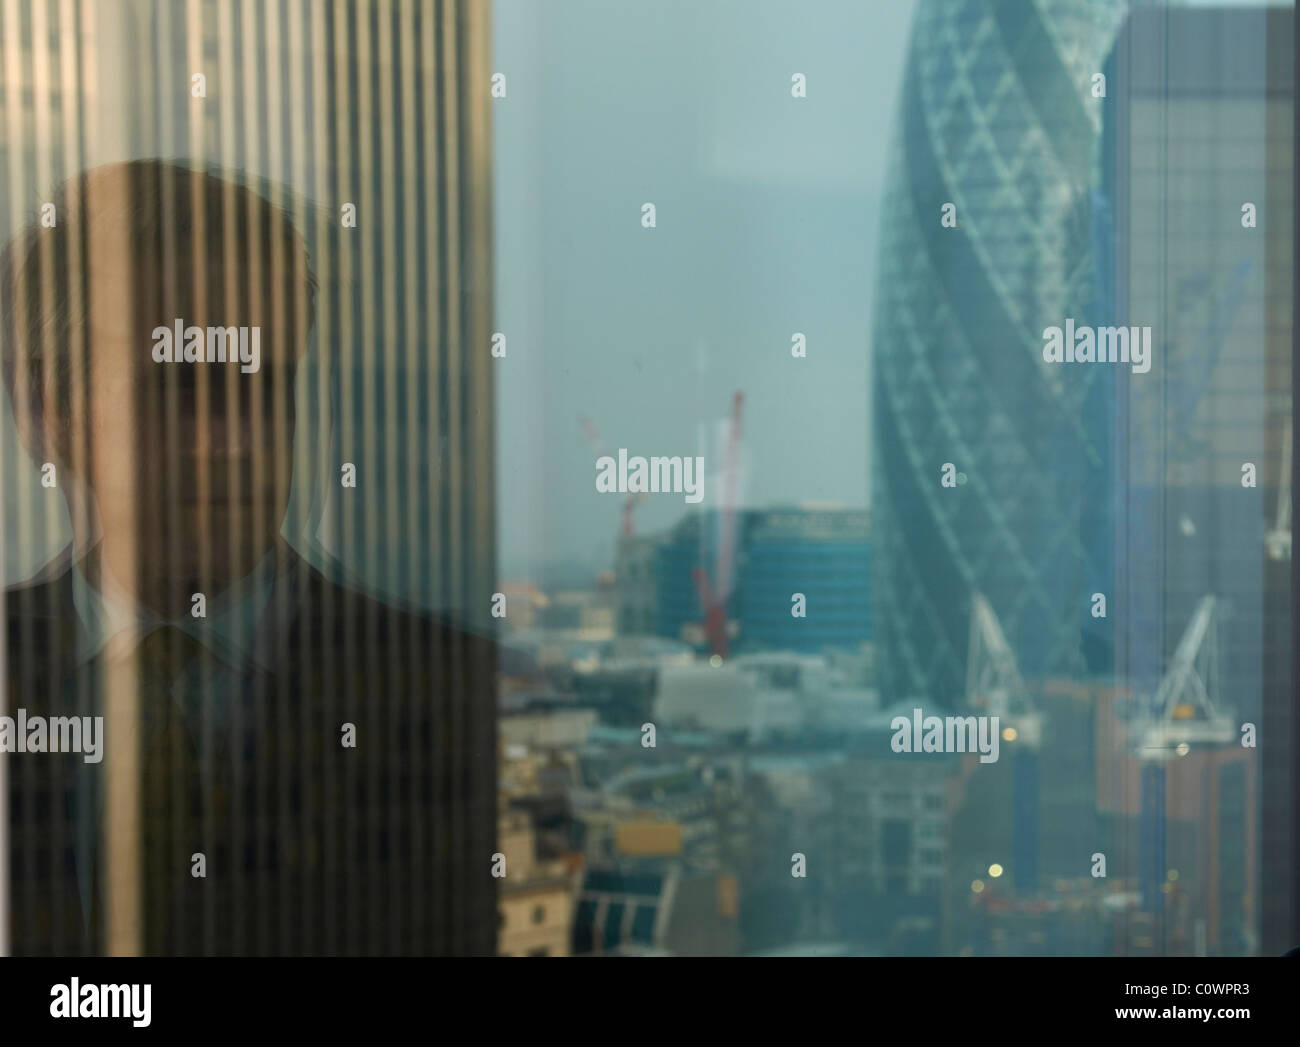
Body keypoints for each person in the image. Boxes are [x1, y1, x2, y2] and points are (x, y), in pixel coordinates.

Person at [0, 159, 496, 956]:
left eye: (263, 382)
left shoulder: (447, 698)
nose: (236, 441)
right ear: (43, 409)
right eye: (182, 385)